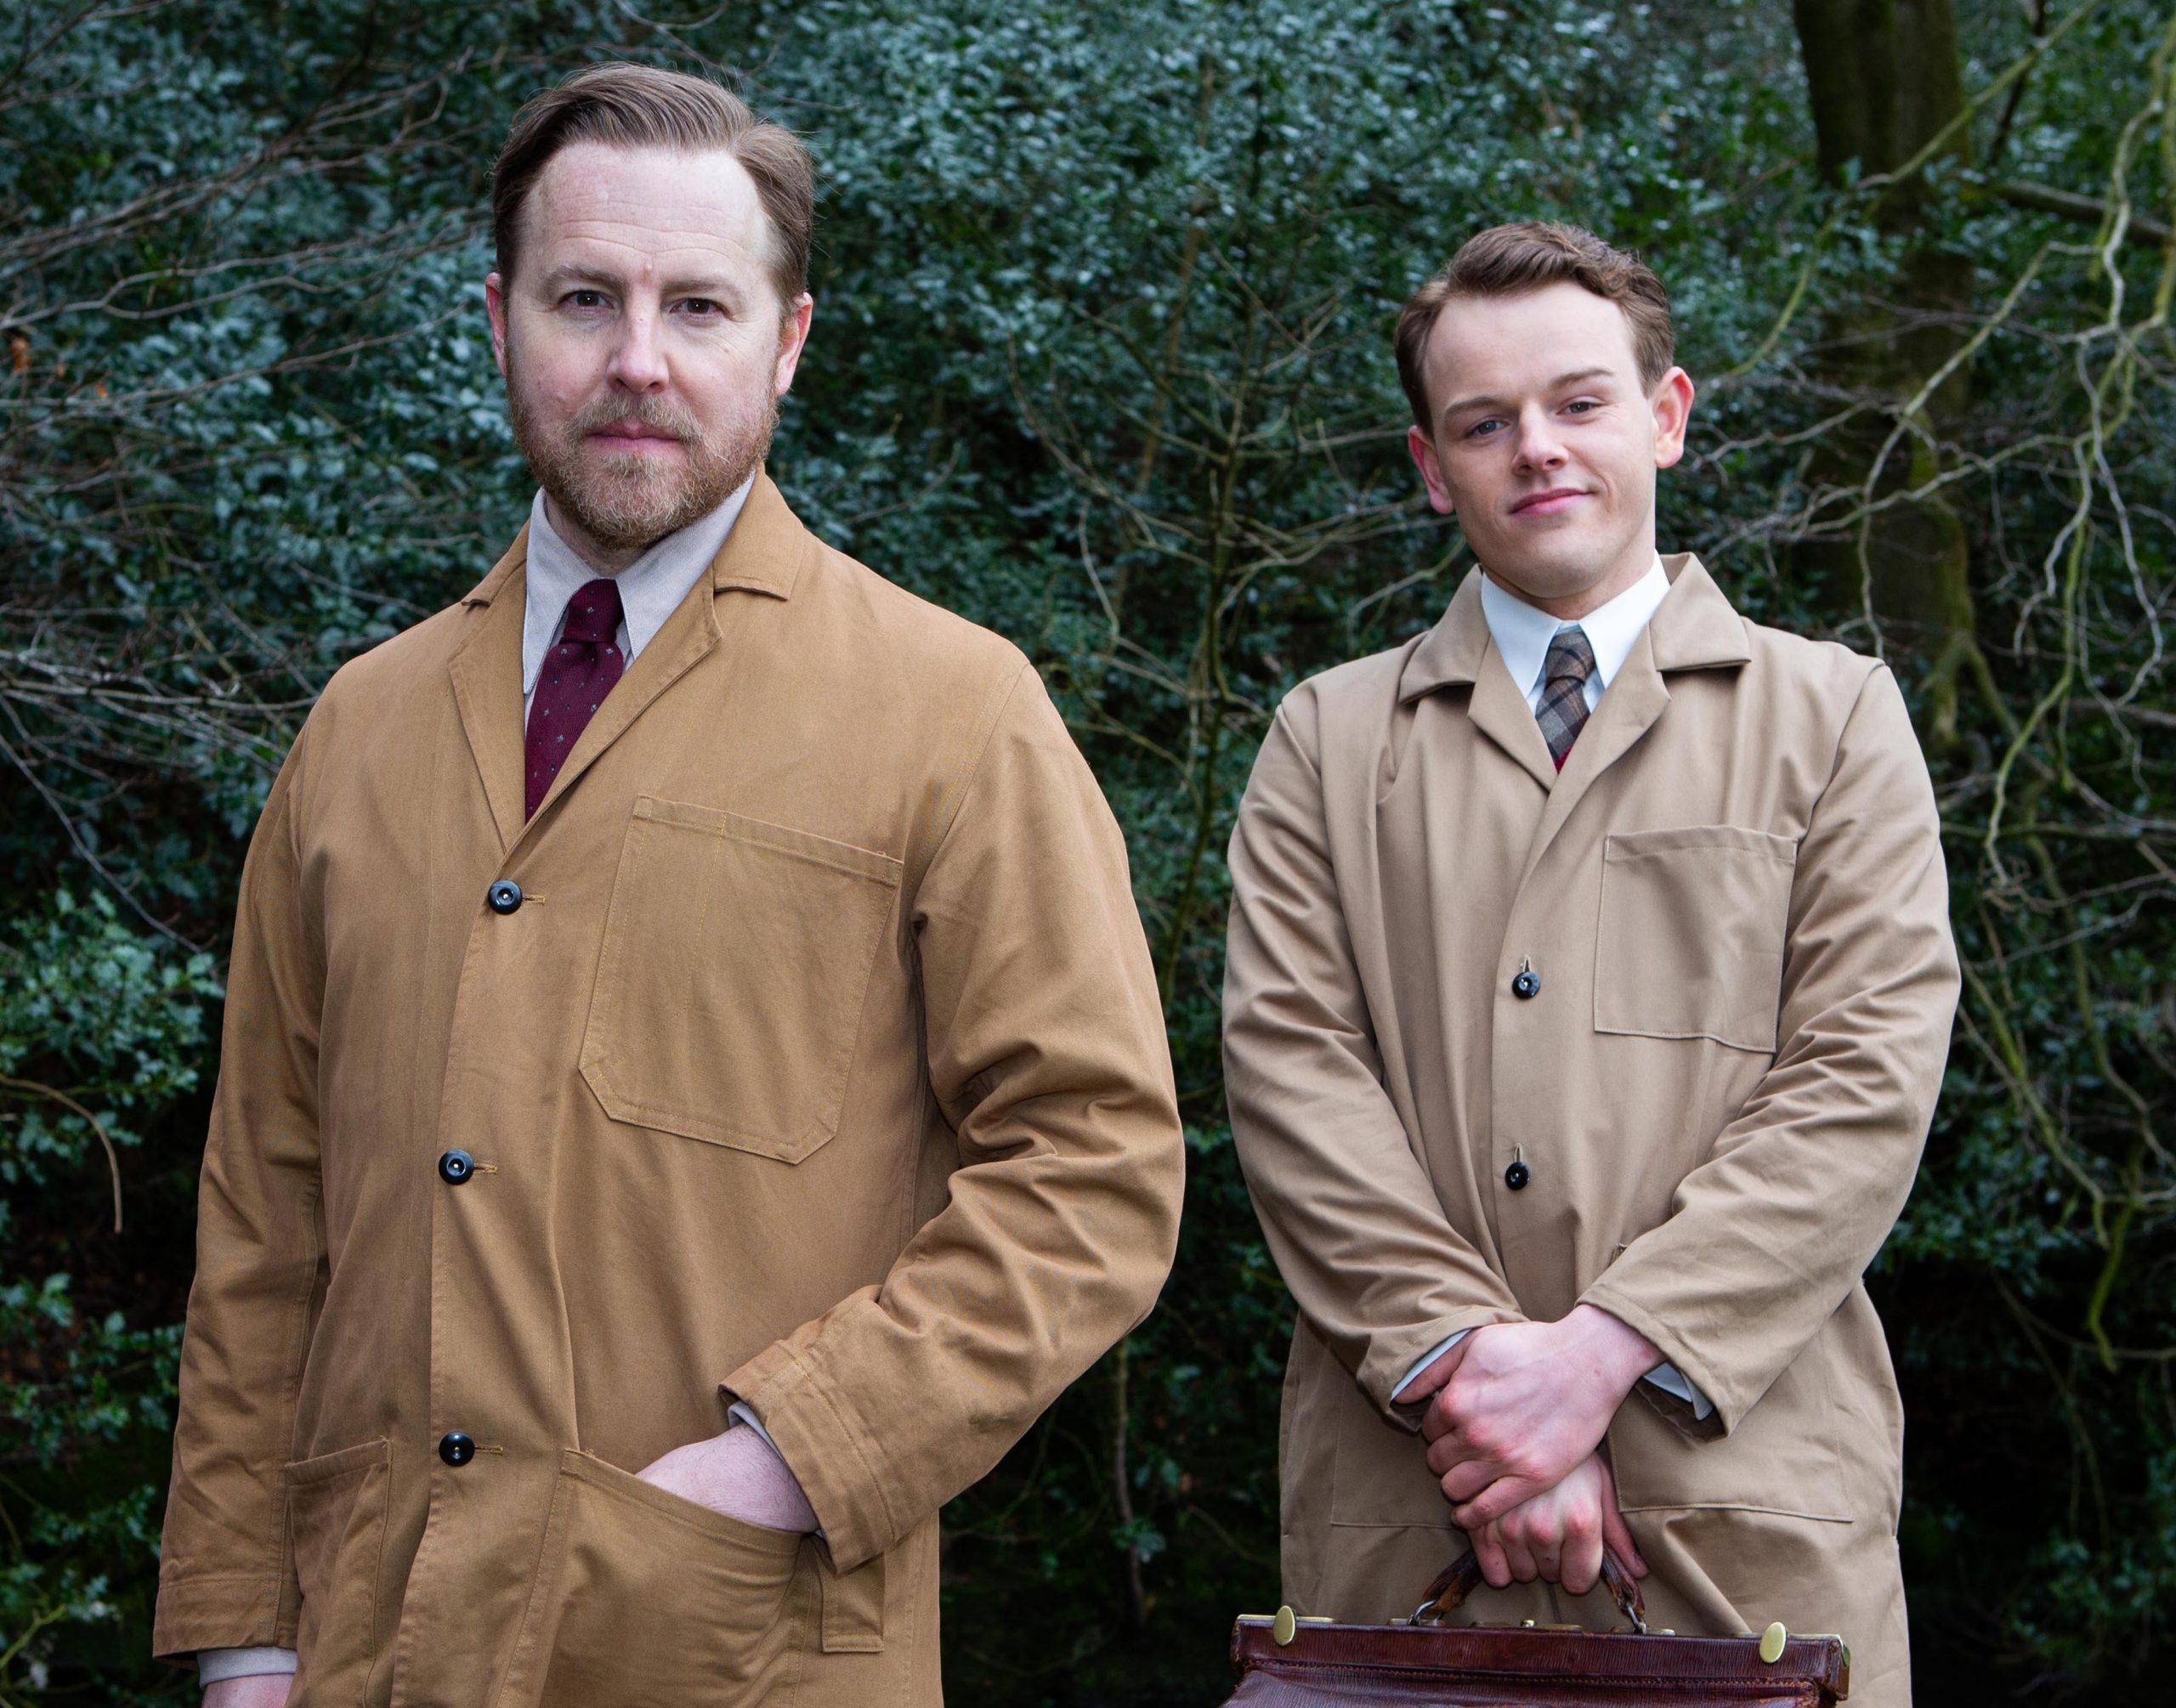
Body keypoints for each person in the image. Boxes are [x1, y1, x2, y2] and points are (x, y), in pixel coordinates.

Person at [154, 64, 1184, 1708]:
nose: (638, 359)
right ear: (499, 323)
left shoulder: (955, 711)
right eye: (584, 299)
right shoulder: (358, 727)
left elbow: (1098, 1169)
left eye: (698, 305)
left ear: (787, 342)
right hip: (367, 1653)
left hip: (746, 1652)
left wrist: (796, 1451)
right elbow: (265, 1221)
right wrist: (246, 1642)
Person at [1221, 221, 1957, 1708]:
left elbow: (1863, 1079)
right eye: (1484, 423)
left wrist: (1603, 1356)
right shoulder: (1327, 740)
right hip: (1416, 1509)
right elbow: (1295, 1080)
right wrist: (1481, 1385)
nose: (1537, 448)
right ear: (1432, 468)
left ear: (1666, 415)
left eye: (1577, 402)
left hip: (1739, 1513)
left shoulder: (1835, 717)